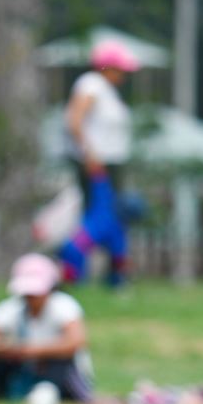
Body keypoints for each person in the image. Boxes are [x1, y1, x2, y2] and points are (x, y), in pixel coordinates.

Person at [59, 40, 140, 288]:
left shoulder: (107, 90)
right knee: (98, 220)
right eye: (121, 70)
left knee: (111, 221)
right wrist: (89, 155)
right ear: (108, 67)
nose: (124, 76)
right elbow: (74, 121)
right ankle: (74, 268)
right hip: (97, 165)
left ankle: (111, 275)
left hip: (109, 164)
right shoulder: (90, 84)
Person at [0, 253, 93, 404]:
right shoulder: (12, 307)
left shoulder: (63, 305)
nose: (31, 297)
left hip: (63, 374)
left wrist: (31, 350)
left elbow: (76, 341)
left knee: (60, 360)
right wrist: (5, 348)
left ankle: (47, 391)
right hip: (23, 368)